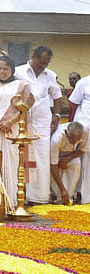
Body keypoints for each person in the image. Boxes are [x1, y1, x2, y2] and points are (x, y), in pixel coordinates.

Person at [0, 55, 31, 205]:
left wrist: (9, 122)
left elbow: (24, 107)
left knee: (13, 161)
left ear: (12, 70)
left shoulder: (22, 85)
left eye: (6, 69)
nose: (2, 72)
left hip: (13, 128)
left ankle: (13, 200)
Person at [15, 46, 62, 205]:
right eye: (41, 62)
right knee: (23, 156)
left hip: (42, 122)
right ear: (33, 57)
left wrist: (56, 115)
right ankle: (23, 195)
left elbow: (57, 96)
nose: (43, 66)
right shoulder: (18, 72)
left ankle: (40, 197)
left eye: (46, 63)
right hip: (22, 121)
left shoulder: (51, 75)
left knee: (41, 157)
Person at [50, 122, 89, 205]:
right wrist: (62, 190)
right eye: (72, 140)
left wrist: (67, 159)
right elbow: (53, 166)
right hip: (56, 155)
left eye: (77, 140)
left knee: (77, 162)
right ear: (66, 133)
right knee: (52, 170)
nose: (74, 143)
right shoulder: (56, 139)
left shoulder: (85, 132)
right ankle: (58, 195)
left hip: (71, 155)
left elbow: (83, 150)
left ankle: (69, 195)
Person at [68, 74, 90, 203]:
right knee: (83, 160)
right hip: (84, 127)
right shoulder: (84, 82)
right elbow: (72, 104)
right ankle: (81, 194)